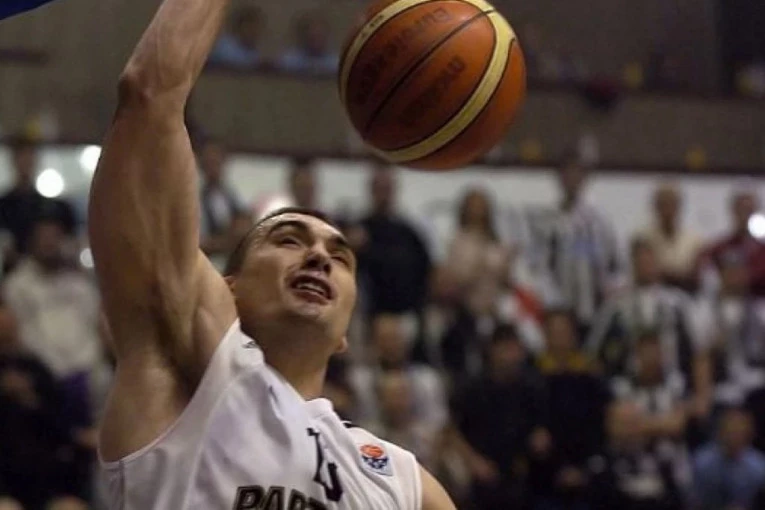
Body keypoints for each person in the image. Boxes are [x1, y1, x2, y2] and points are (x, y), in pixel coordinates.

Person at [88, 0, 455, 507]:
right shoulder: (186, 376)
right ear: (229, 287)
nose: (319, 257)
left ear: (346, 335)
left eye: (340, 257)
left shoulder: (399, 478)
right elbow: (149, 94)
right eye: (288, 240)